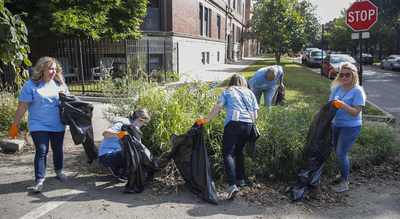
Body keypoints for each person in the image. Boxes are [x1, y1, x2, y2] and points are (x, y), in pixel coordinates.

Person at [8, 56, 69, 193]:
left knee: (58, 148)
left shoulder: (60, 84)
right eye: (50, 69)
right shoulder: (31, 85)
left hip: (57, 123)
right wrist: (14, 125)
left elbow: (69, 103)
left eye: (55, 68)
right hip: (38, 124)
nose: (53, 71)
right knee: (42, 150)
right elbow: (22, 107)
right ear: (42, 69)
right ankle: (40, 180)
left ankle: (59, 171)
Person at [197, 73, 259, 200]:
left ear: (231, 81)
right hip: (248, 125)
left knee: (228, 153)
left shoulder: (228, 91)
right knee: (239, 151)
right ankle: (240, 180)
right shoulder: (250, 93)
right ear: (243, 81)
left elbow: (219, 106)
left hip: (233, 124)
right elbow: (255, 115)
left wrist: (206, 120)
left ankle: (232, 185)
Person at [329, 62, 366, 193]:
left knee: (341, 153)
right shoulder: (337, 89)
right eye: (342, 75)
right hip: (337, 124)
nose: (344, 78)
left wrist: (342, 105)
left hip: (351, 127)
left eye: (347, 75)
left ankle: (344, 182)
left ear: (354, 75)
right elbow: (331, 105)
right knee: (337, 151)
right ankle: (342, 174)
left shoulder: (358, 91)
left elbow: (356, 112)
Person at [98, 107, 151, 182]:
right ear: (140, 119)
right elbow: (105, 133)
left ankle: (115, 166)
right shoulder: (123, 123)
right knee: (135, 152)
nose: (145, 125)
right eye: (145, 123)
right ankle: (125, 176)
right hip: (106, 156)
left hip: (117, 154)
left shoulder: (135, 128)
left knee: (140, 153)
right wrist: (120, 134)